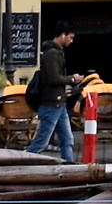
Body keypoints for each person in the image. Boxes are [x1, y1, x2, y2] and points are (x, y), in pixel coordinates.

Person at [25, 29, 79, 161]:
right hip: (51, 104)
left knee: (67, 139)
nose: (71, 41)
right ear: (63, 35)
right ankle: (22, 161)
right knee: (42, 142)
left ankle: (69, 166)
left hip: (59, 103)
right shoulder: (52, 54)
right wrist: (72, 79)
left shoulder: (54, 52)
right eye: (70, 37)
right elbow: (54, 78)